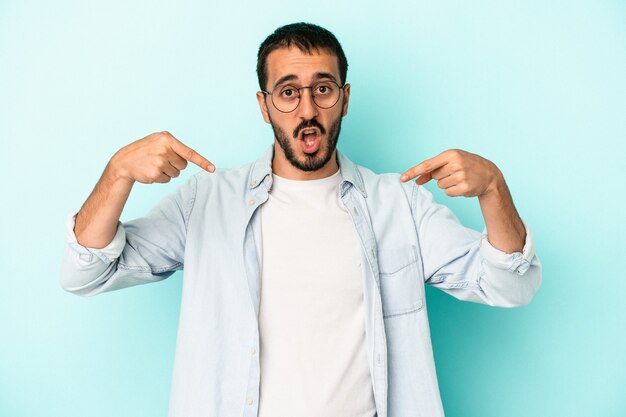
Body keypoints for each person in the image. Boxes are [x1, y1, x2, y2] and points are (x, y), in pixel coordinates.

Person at [60, 22, 541, 417]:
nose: (308, 111)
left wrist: (494, 189)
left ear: (345, 99)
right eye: (288, 92)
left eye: (323, 90)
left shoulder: (400, 205)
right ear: (264, 105)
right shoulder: (206, 204)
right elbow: (86, 272)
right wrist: (117, 173)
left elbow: (510, 286)